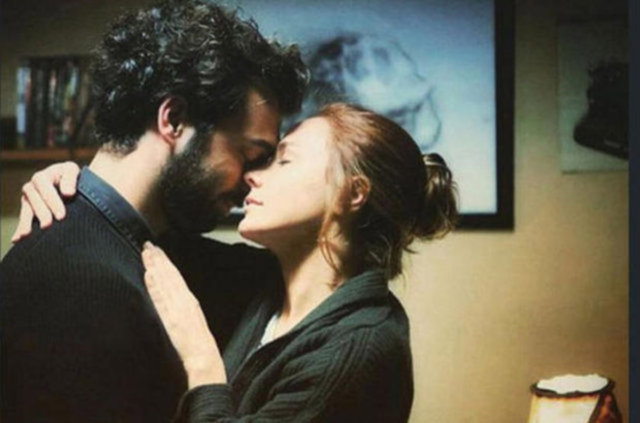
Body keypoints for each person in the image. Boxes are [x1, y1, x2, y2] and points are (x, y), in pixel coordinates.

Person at [13, 102, 459, 421]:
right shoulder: (254, 283)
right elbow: (132, 227)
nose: (252, 176)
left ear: (352, 193)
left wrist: (202, 362)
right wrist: (71, 184)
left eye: (283, 161)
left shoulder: (361, 348)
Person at [0, 1, 307, 422]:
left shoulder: (149, 250)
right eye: (250, 155)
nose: (253, 179)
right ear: (174, 119)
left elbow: (294, 275)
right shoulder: (78, 284)